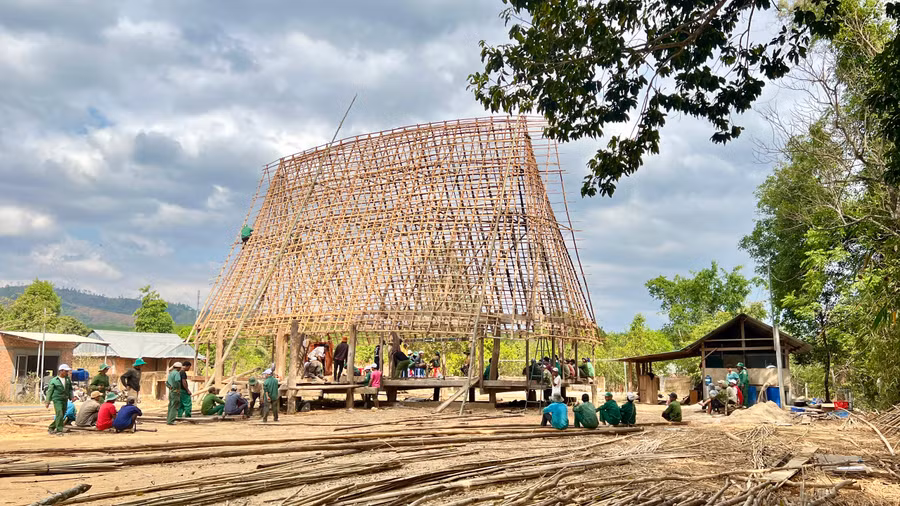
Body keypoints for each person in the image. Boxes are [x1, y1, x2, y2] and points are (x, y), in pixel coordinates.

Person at [45, 363, 74, 435]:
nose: (67, 373)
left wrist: (71, 397)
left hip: (65, 399)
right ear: (61, 371)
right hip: (57, 399)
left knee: (62, 415)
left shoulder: (67, 380)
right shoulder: (54, 380)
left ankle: (51, 427)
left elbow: (70, 389)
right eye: (66, 371)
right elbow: (50, 391)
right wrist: (47, 401)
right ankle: (59, 430)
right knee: (59, 413)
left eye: (67, 371)